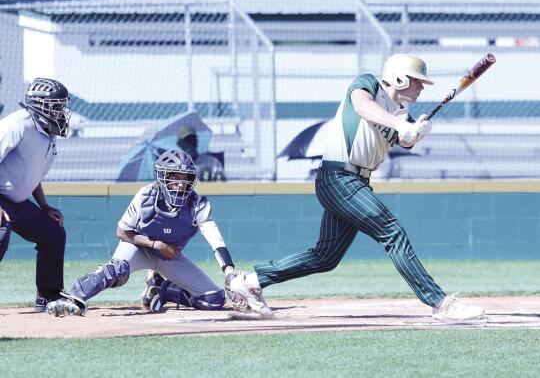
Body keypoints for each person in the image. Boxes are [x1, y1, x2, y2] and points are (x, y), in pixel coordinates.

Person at [226, 54, 486, 321]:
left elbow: (403, 140)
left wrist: (416, 132)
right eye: (417, 81)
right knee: (392, 232)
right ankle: (440, 303)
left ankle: (250, 282)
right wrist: (401, 125)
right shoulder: (368, 84)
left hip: (356, 181)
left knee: (326, 257)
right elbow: (362, 106)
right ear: (399, 78)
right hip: (339, 176)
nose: (421, 87)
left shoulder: (400, 112)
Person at [45, 149, 240, 316]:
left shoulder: (197, 203)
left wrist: (229, 271)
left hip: (169, 257)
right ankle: (74, 297)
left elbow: (215, 239)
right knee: (118, 271)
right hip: (138, 247)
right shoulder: (146, 195)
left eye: (185, 178)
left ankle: (162, 289)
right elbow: (122, 232)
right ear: (161, 177)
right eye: (174, 178)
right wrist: (156, 244)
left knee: (213, 299)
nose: (181, 184)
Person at [0, 78, 71, 311]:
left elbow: (32, 174)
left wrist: (44, 206)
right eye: (57, 106)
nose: (62, 112)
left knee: (53, 233)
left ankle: (48, 296)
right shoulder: (17, 125)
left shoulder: (48, 134)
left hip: (19, 202)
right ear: (40, 105)